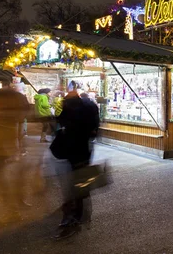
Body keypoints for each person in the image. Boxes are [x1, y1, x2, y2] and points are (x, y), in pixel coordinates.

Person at [55, 81, 100, 239]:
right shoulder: (89, 106)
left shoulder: (72, 108)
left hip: (74, 148)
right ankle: (79, 207)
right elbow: (95, 125)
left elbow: (60, 121)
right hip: (84, 146)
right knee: (80, 176)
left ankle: (76, 214)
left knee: (75, 179)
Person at [0, 84, 30, 225]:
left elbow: (18, 129)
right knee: (5, 181)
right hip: (3, 150)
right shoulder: (10, 114)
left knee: (4, 181)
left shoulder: (7, 115)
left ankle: (13, 210)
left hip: (2, 151)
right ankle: (13, 210)